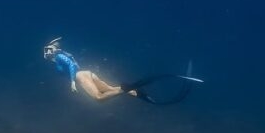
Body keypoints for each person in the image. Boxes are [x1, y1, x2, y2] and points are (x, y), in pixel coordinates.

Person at [43, 38, 203, 104]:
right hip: (87, 73)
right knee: (110, 90)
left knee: (99, 98)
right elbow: (71, 61)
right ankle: (133, 91)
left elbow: (71, 65)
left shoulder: (59, 57)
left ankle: (128, 88)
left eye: (49, 50)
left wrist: (72, 82)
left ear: (53, 50)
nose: (47, 53)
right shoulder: (59, 56)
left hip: (80, 76)